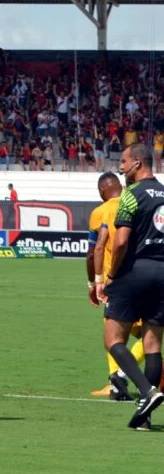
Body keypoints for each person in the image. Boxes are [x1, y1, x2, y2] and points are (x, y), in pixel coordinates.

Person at [99, 144, 164, 429]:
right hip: (163, 272)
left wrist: (112, 274)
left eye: (124, 162)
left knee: (113, 339)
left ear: (138, 163)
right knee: (152, 344)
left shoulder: (130, 196)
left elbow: (122, 241)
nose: (121, 167)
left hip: (135, 272)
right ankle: (144, 418)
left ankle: (148, 392)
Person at [86, 172, 144, 401]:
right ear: (121, 186)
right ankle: (118, 382)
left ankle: (118, 377)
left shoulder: (100, 212)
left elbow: (93, 251)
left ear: (101, 192)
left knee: (113, 335)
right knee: (148, 334)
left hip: (114, 282)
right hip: (143, 278)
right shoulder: (136, 202)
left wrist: (94, 282)